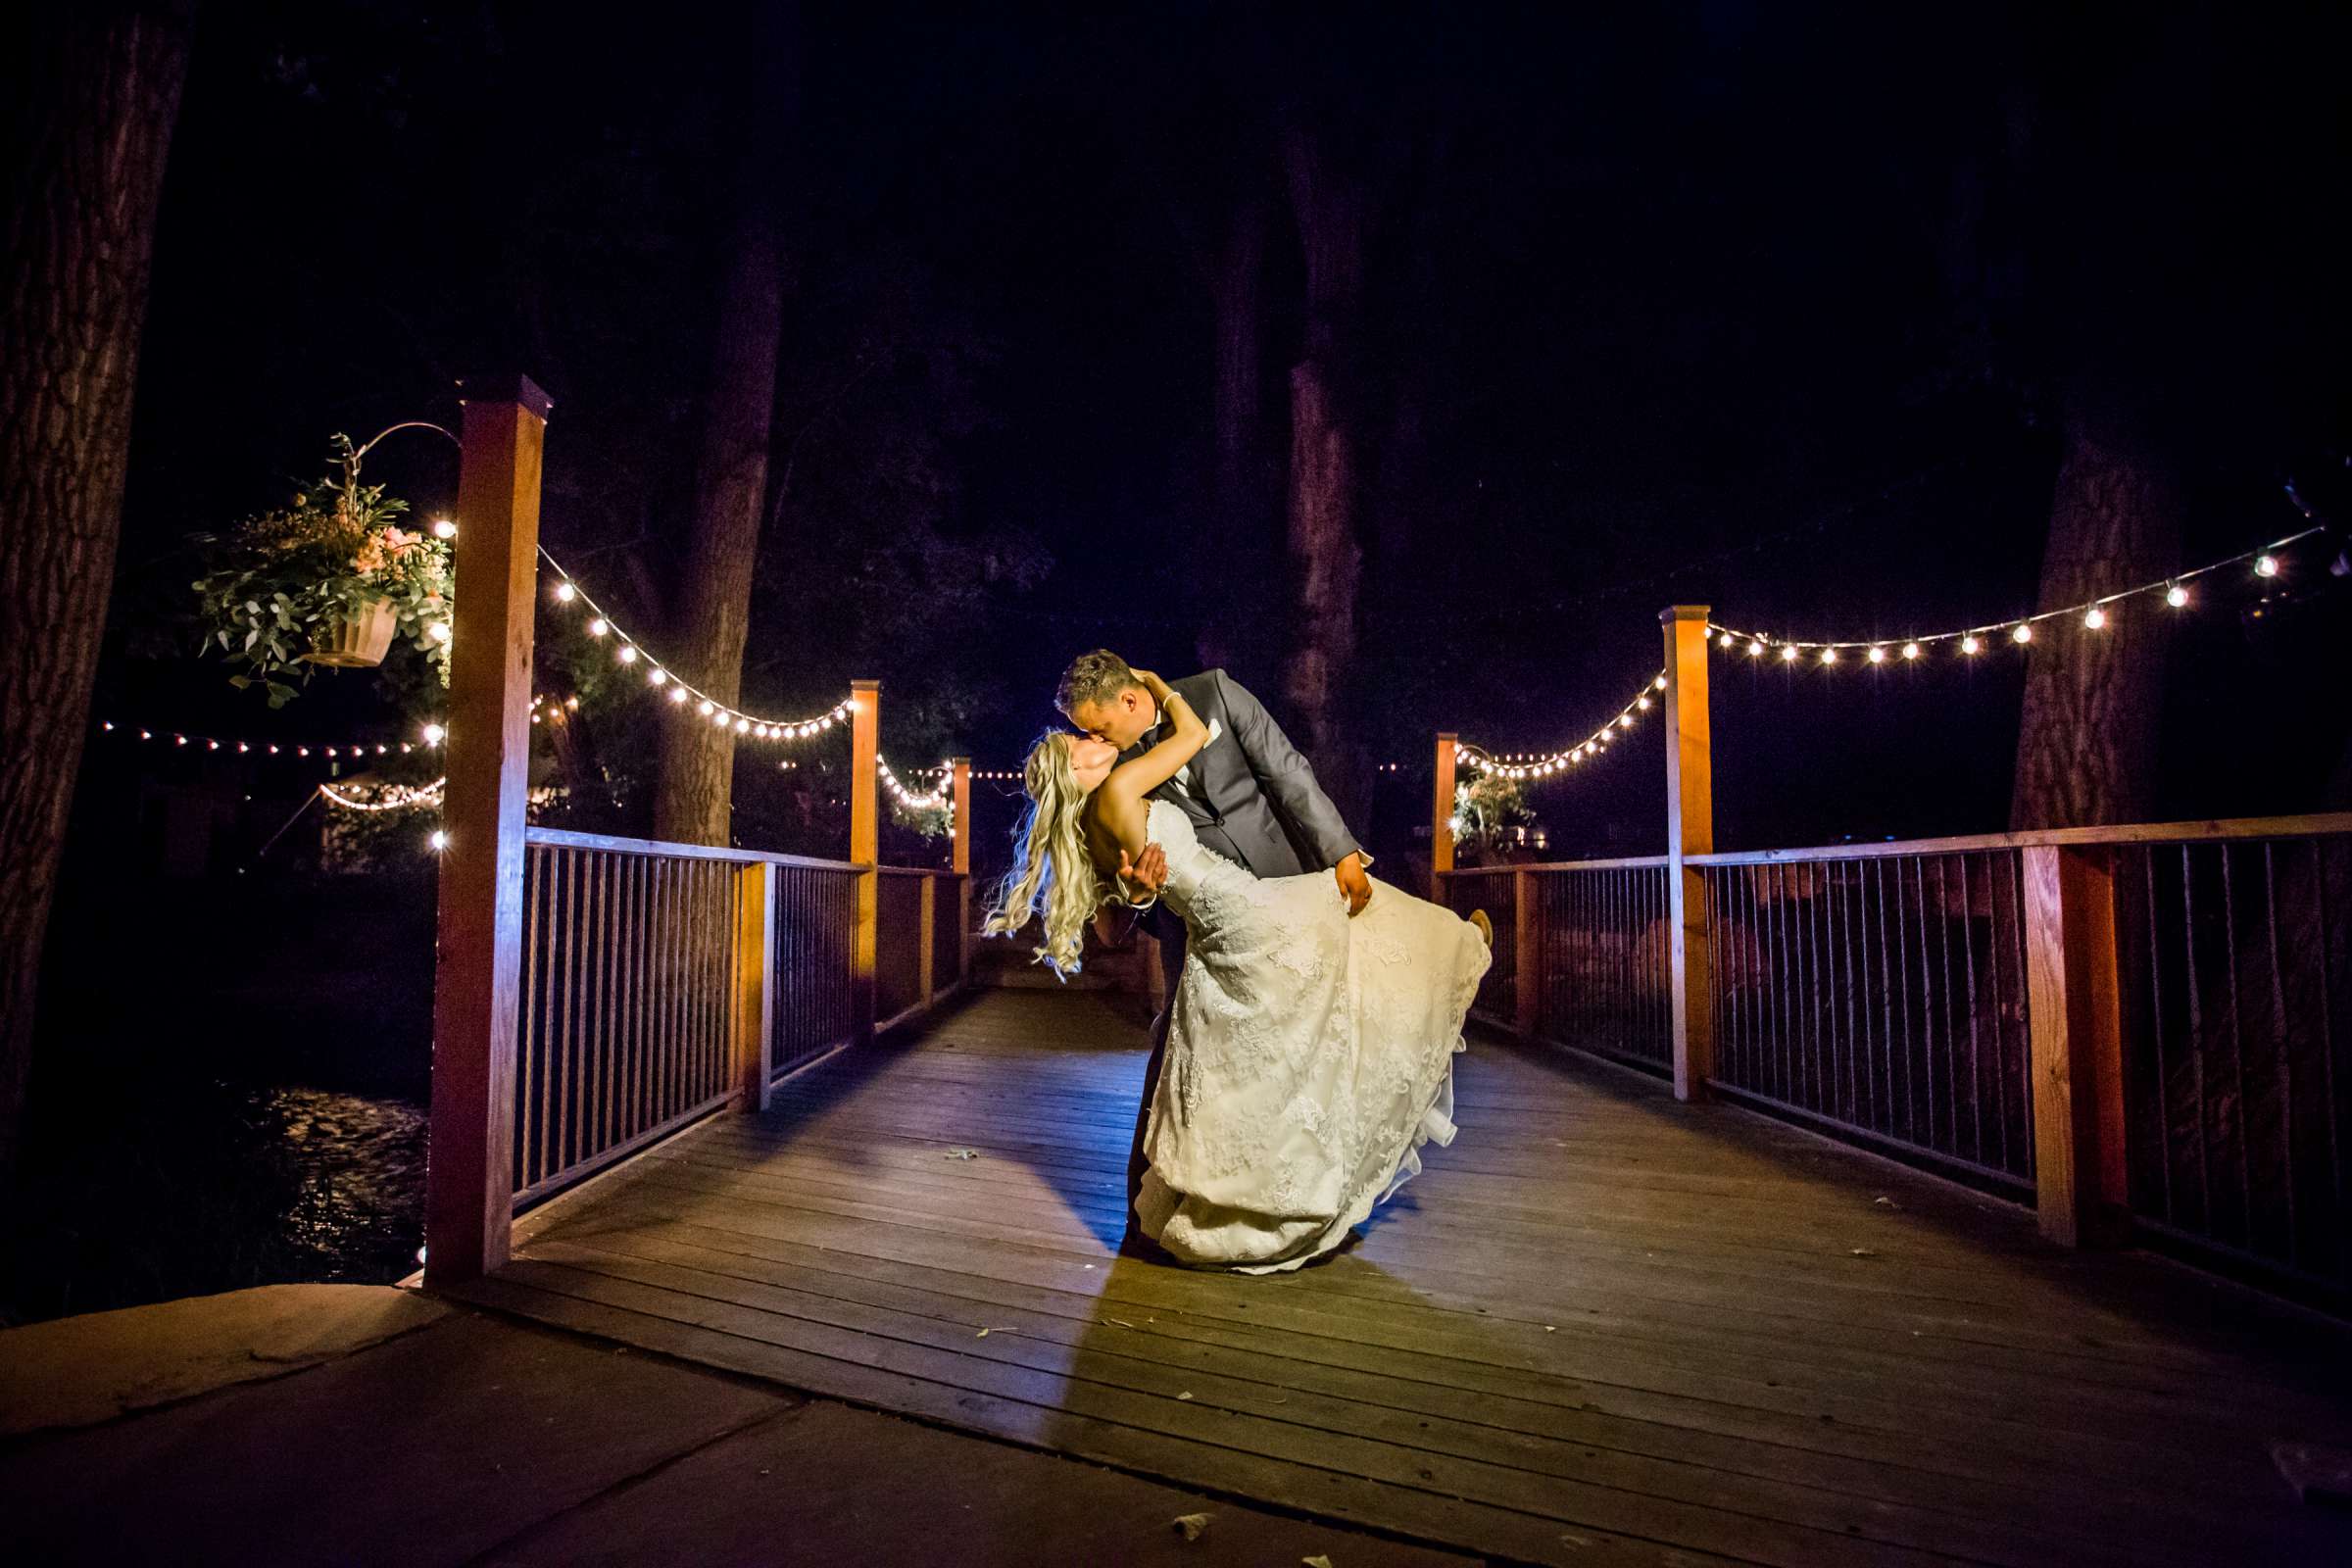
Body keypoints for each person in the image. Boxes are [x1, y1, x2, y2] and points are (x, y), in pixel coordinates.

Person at [986, 656, 1492, 1273]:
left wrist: (1341, 853)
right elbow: (1118, 902)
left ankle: (1278, 1189)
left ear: (1124, 702)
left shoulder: (1217, 695)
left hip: (1275, 881)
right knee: (1187, 1064)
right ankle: (1154, 1213)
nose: (1097, 742)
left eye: (1097, 730)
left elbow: (1287, 774)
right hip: (1205, 928)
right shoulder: (1118, 776)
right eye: (1082, 737)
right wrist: (1143, 893)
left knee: (1326, 1013)